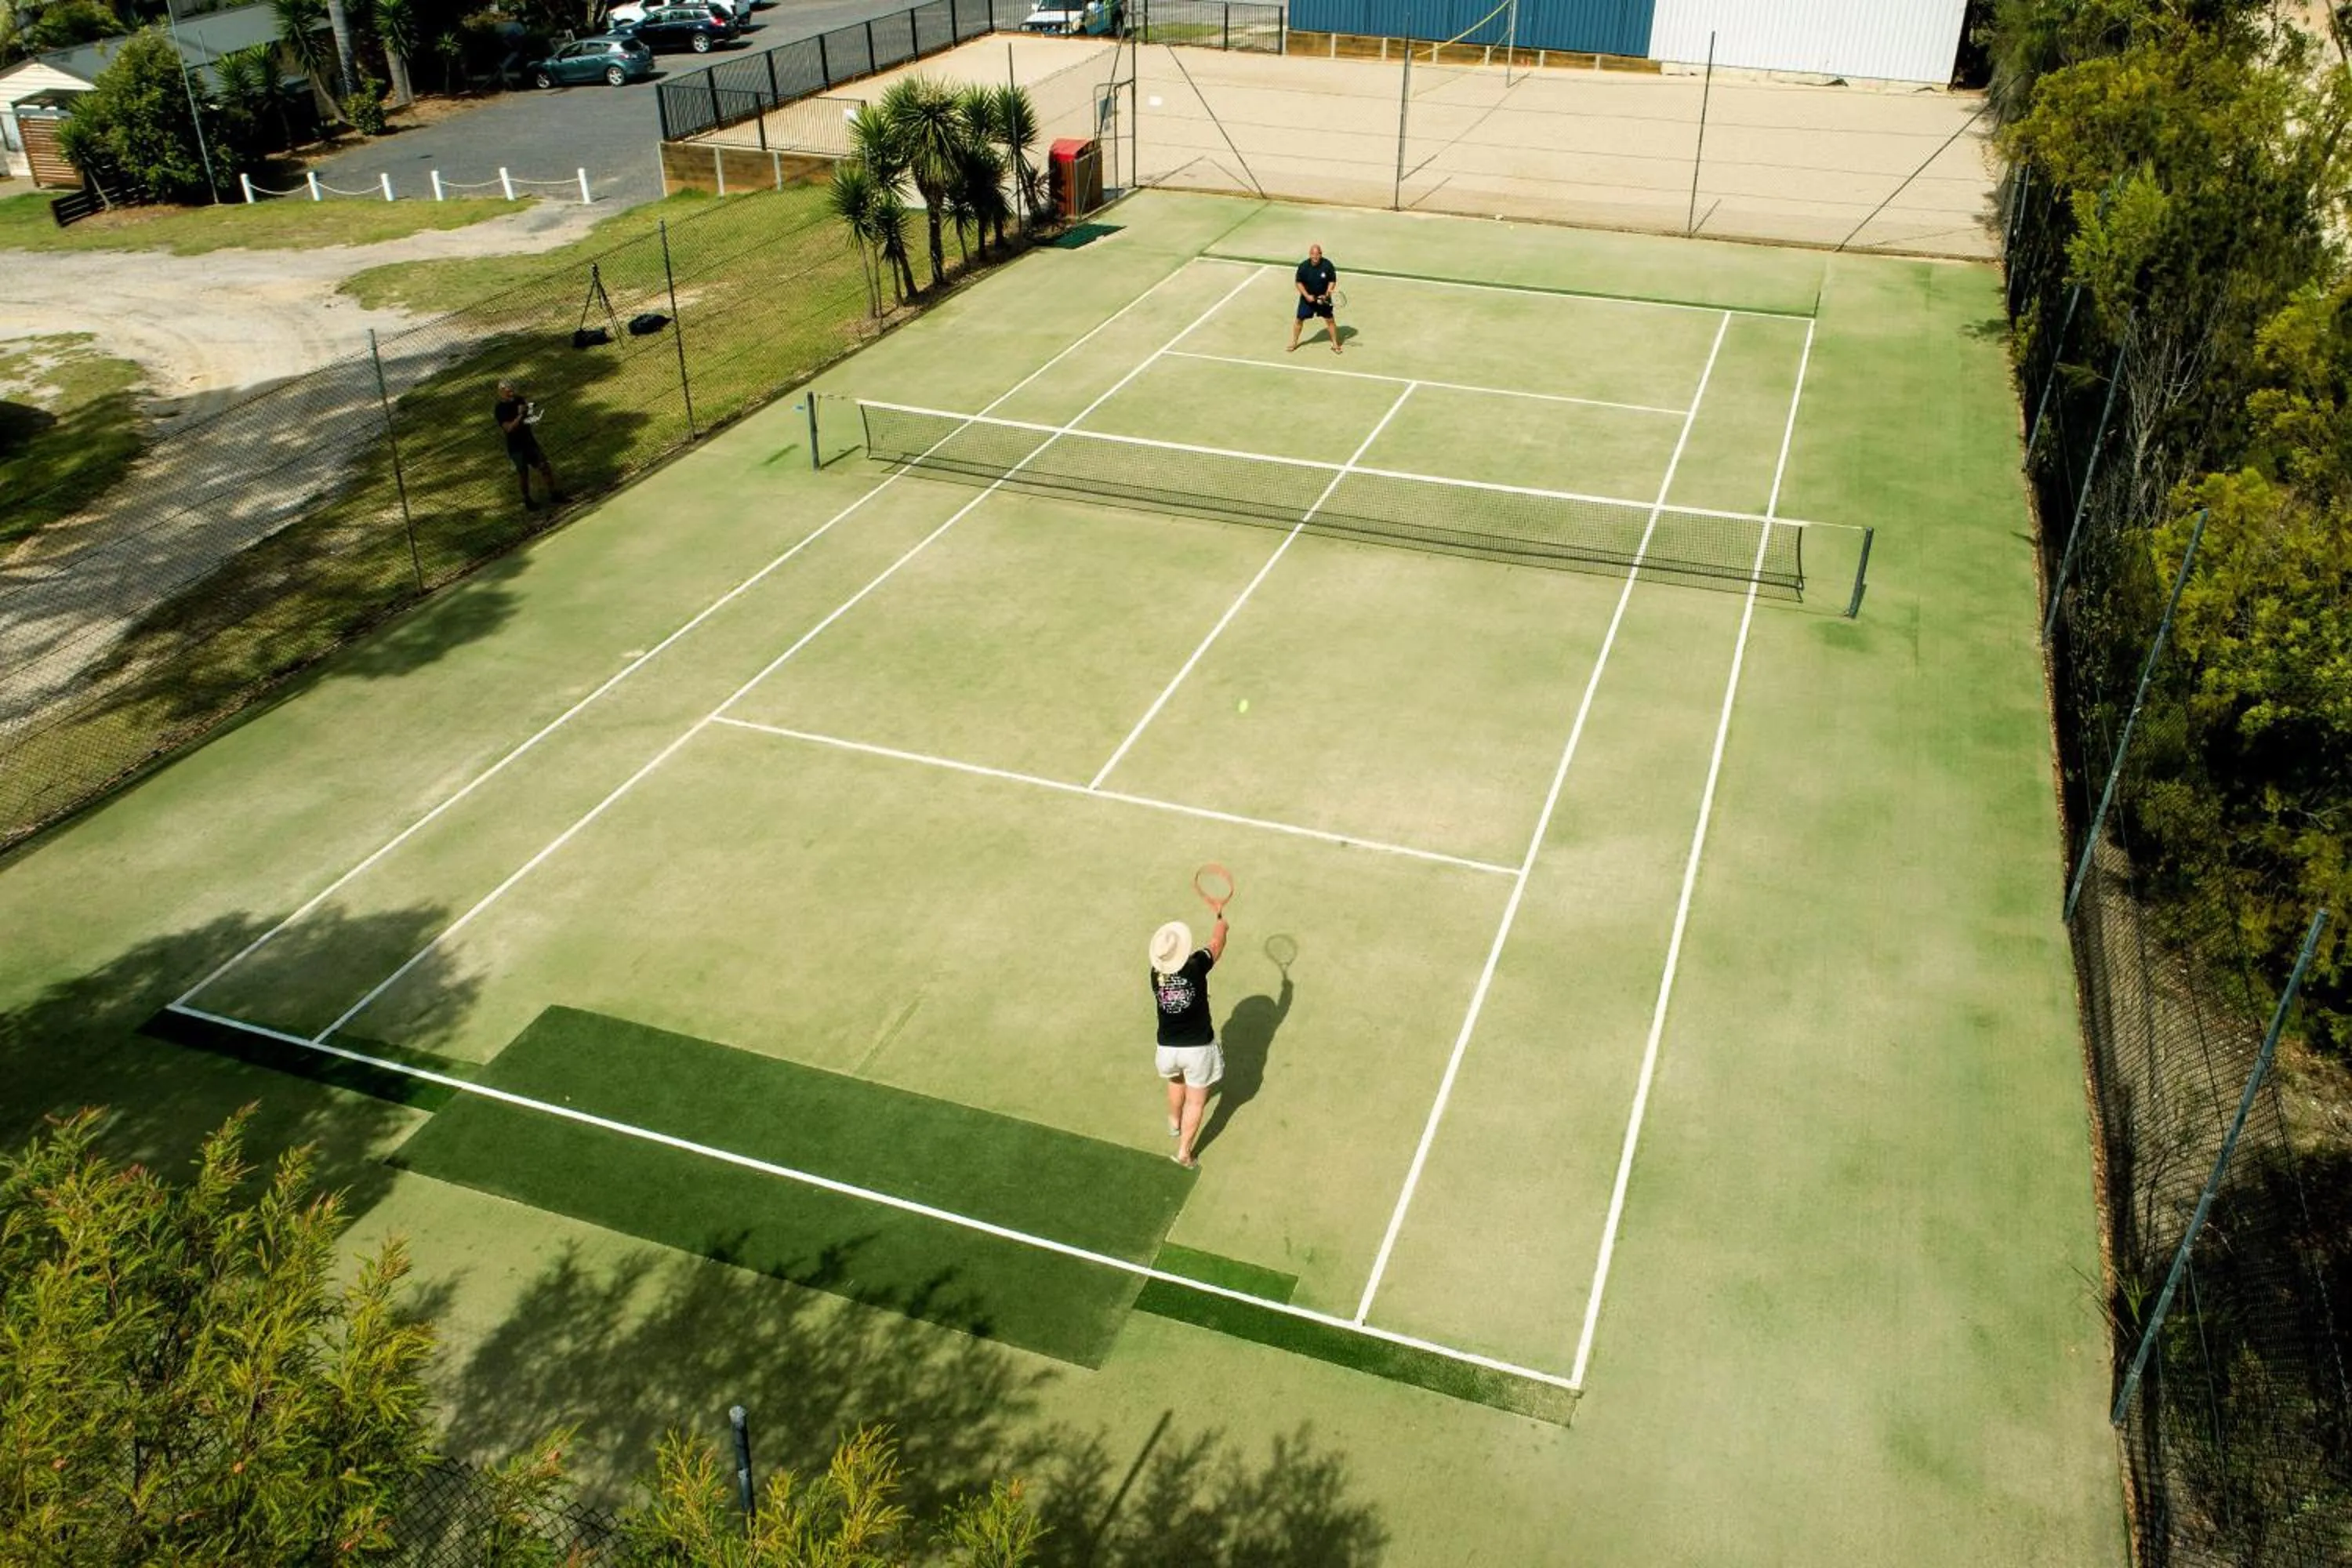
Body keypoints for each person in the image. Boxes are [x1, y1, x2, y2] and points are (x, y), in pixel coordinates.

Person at [1150, 913, 1227, 1168]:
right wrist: (1221, 925)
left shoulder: (1155, 974)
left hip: (1166, 1049)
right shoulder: (1196, 966)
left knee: (1176, 1079)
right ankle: (1184, 1152)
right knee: (1195, 1101)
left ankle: (1174, 1121)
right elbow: (1216, 946)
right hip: (1197, 1050)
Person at [494, 379, 559, 510]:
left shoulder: (519, 400)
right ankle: (528, 500)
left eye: (512, 389)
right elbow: (509, 428)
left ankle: (554, 494)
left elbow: (528, 416)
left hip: (529, 442)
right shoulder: (500, 409)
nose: (511, 392)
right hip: (516, 447)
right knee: (523, 473)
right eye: (507, 391)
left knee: (544, 466)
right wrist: (520, 415)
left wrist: (532, 416)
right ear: (501, 393)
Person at [1288, 244, 1341, 355]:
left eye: (1317, 254)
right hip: (1307, 299)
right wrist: (1307, 296)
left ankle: (1335, 344)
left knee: (1330, 320)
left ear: (1321, 254)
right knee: (1299, 320)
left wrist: (1326, 295)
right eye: (1313, 254)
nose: (1315, 257)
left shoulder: (1327, 265)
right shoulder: (1303, 266)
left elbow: (1332, 281)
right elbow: (1298, 282)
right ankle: (1294, 343)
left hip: (1323, 298)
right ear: (1310, 254)